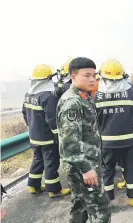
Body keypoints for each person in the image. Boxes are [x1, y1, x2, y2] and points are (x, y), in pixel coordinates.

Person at [56, 57, 110, 222]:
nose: (92, 79)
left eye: (94, 75)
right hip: (83, 166)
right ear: (73, 76)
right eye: (87, 75)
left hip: (82, 164)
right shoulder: (72, 102)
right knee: (100, 210)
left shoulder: (83, 97)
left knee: (80, 207)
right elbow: (70, 142)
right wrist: (86, 169)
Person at [94, 60, 133, 207]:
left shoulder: (97, 96)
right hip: (129, 141)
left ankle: (109, 198)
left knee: (107, 170)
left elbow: (94, 122)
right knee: (130, 168)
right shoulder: (131, 93)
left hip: (107, 143)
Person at [22, 64, 71, 198]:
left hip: (34, 136)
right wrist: (58, 135)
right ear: (48, 79)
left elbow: (24, 114)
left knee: (38, 160)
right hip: (47, 138)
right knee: (51, 162)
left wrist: (32, 127)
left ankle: (33, 185)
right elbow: (52, 119)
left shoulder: (28, 95)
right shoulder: (48, 96)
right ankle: (54, 190)